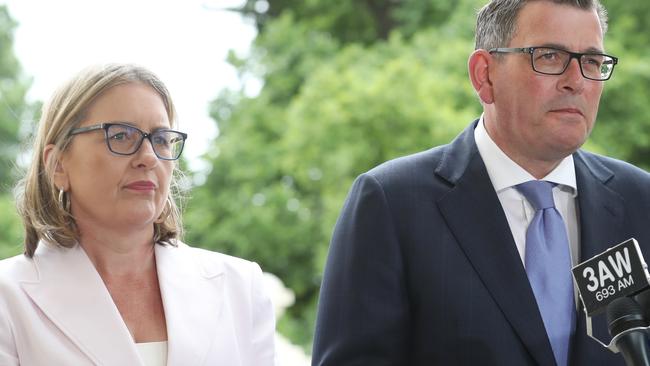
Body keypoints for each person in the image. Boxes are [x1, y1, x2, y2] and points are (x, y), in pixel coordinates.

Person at [312, 0, 650, 365]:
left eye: (592, 62)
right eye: (550, 56)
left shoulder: (639, 200)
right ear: (484, 75)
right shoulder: (392, 204)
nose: (577, 81)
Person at [0, 64, 276, 366]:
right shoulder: (8, 298)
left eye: (160, 139)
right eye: (120, 136)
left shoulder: (240, 287)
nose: (148, 157)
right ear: (58, 165)